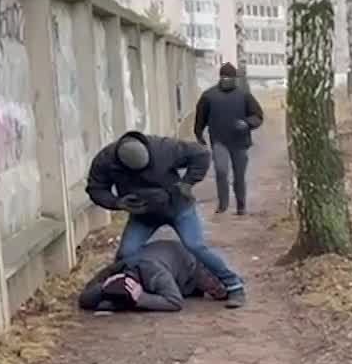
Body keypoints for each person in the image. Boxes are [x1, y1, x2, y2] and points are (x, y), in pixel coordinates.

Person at [86, 129, 247, 308]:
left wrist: (187, 183)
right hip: (144, 214)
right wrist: (117, 202)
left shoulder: (164, 148)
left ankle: (234, 285)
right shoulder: (105, 161)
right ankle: (118, 293)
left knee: (195, 245)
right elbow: (95, 188)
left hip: (178, 208)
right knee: (126, 254)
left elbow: (201, 154)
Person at [78, 239, 228, 312]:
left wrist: (141, 297)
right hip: (159, 256)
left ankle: (234, 284)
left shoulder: (156, 275)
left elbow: (175, 302)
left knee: (218, 288)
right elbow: (84, 298)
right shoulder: (120, 266)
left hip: (187, 261)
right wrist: (104, 287)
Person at [194, 62, 265, 216]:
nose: (226, 80)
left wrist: (247, 123)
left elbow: (258, 115)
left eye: (229, 77)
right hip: (219, 140)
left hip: (240, 142)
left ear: (235, 79)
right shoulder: (209, 96)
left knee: (239, 175)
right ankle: (223, 204)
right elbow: (200, 117)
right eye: (224, 77)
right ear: (220, 77)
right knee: (221, 171)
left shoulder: (244, 95)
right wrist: (198, 134)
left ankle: (241, 205)